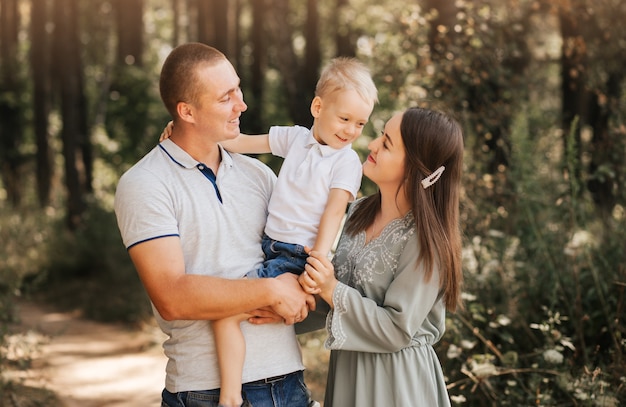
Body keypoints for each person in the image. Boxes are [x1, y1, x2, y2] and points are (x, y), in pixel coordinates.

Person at [161, 57, 378, 407]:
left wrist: (316, 264)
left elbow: (334, 213)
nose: (351, 130)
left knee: (225, 313)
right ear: (318, 107)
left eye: (360, 123)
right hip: (271, 248)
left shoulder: (346, 161)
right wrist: (181, 140)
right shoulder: (294, 139)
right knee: (242, 310)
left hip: (297, 255)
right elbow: (239, 142)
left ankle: (230, 396)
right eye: (344, 118)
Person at [114, 42, 315, 407]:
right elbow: (171, 296)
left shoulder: (260, 175)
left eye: (237, 89)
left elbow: (295, 255)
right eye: (225, 97)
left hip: (288, 382)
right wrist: (272, 291)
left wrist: (298, 287)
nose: (242, 105)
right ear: (186, 111)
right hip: (204, 392)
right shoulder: (144, 183)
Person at [297, 106, 464, 406]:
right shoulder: (359, 211)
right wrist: (279, 308)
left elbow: (396, 328)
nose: (372, 144)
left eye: (386, 143)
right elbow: (335, 301)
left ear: (415, 167)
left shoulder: (427, 242)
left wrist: (330, 287)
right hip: (348, 373)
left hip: (398, 383)